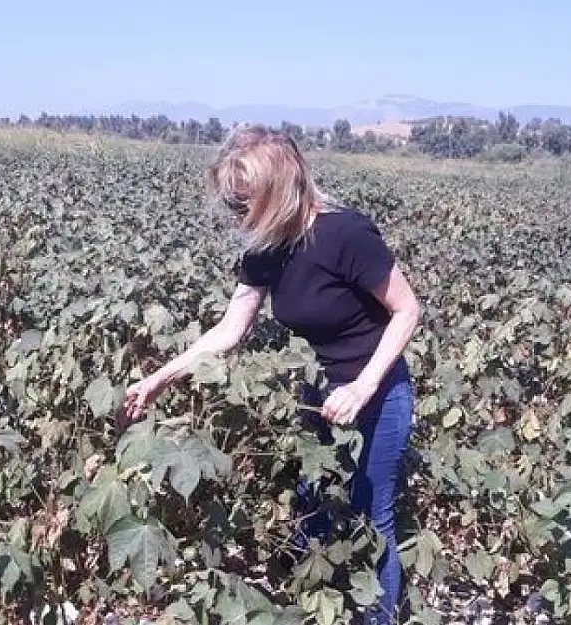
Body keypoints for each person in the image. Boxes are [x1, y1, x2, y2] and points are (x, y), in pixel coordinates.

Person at [119, 124, 421, 625]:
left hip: (378, 390)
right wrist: (160, 377)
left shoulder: (347, 233)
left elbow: (407, 311)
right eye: (234, 202)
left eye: (245, 200)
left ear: (280, 190)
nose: (239, 212)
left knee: (373, 515)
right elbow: (228, 330)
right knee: (313, 503)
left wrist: (362, 386)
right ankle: (311, 606)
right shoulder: (266, 247)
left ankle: (379, 617)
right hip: (315, 396)